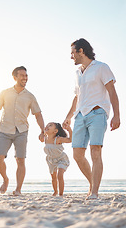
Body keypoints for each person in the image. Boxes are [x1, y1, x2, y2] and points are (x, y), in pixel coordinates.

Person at [63, 38, 120, 200]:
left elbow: (112, 92)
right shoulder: (77, 73)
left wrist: (117, 114)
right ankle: (92, 183)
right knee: (77, 155)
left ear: (81, 51)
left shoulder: (101, 67)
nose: (71, 56)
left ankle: (94, 192)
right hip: (80, 116)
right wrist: (68, 117)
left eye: (73, 53)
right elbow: (77, 96)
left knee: (96, 152)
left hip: (97, 113)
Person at [0, 66, 45, 196]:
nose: (25, 78)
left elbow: (38, 114)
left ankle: (18, 189)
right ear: (15, 77)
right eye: (22, 75)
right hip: (5, 130)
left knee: (20, 160)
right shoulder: (4, 93)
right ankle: (5, 179)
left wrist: (42, 130)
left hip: (22, 131)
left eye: (26, 75)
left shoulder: (30, 96)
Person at [43, 122, 72, 196]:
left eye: (50, 125)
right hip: (51, 160)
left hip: (61, 159)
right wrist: (41, 133)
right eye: (47, 125)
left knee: (60, 175)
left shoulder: (58, 139)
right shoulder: (45, 138)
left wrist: (69, 130)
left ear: (55, 131)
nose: (47, 126)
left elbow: (70, 140)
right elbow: (40, 137)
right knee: (53, 177)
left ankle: (61, 194)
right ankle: (55, 191)